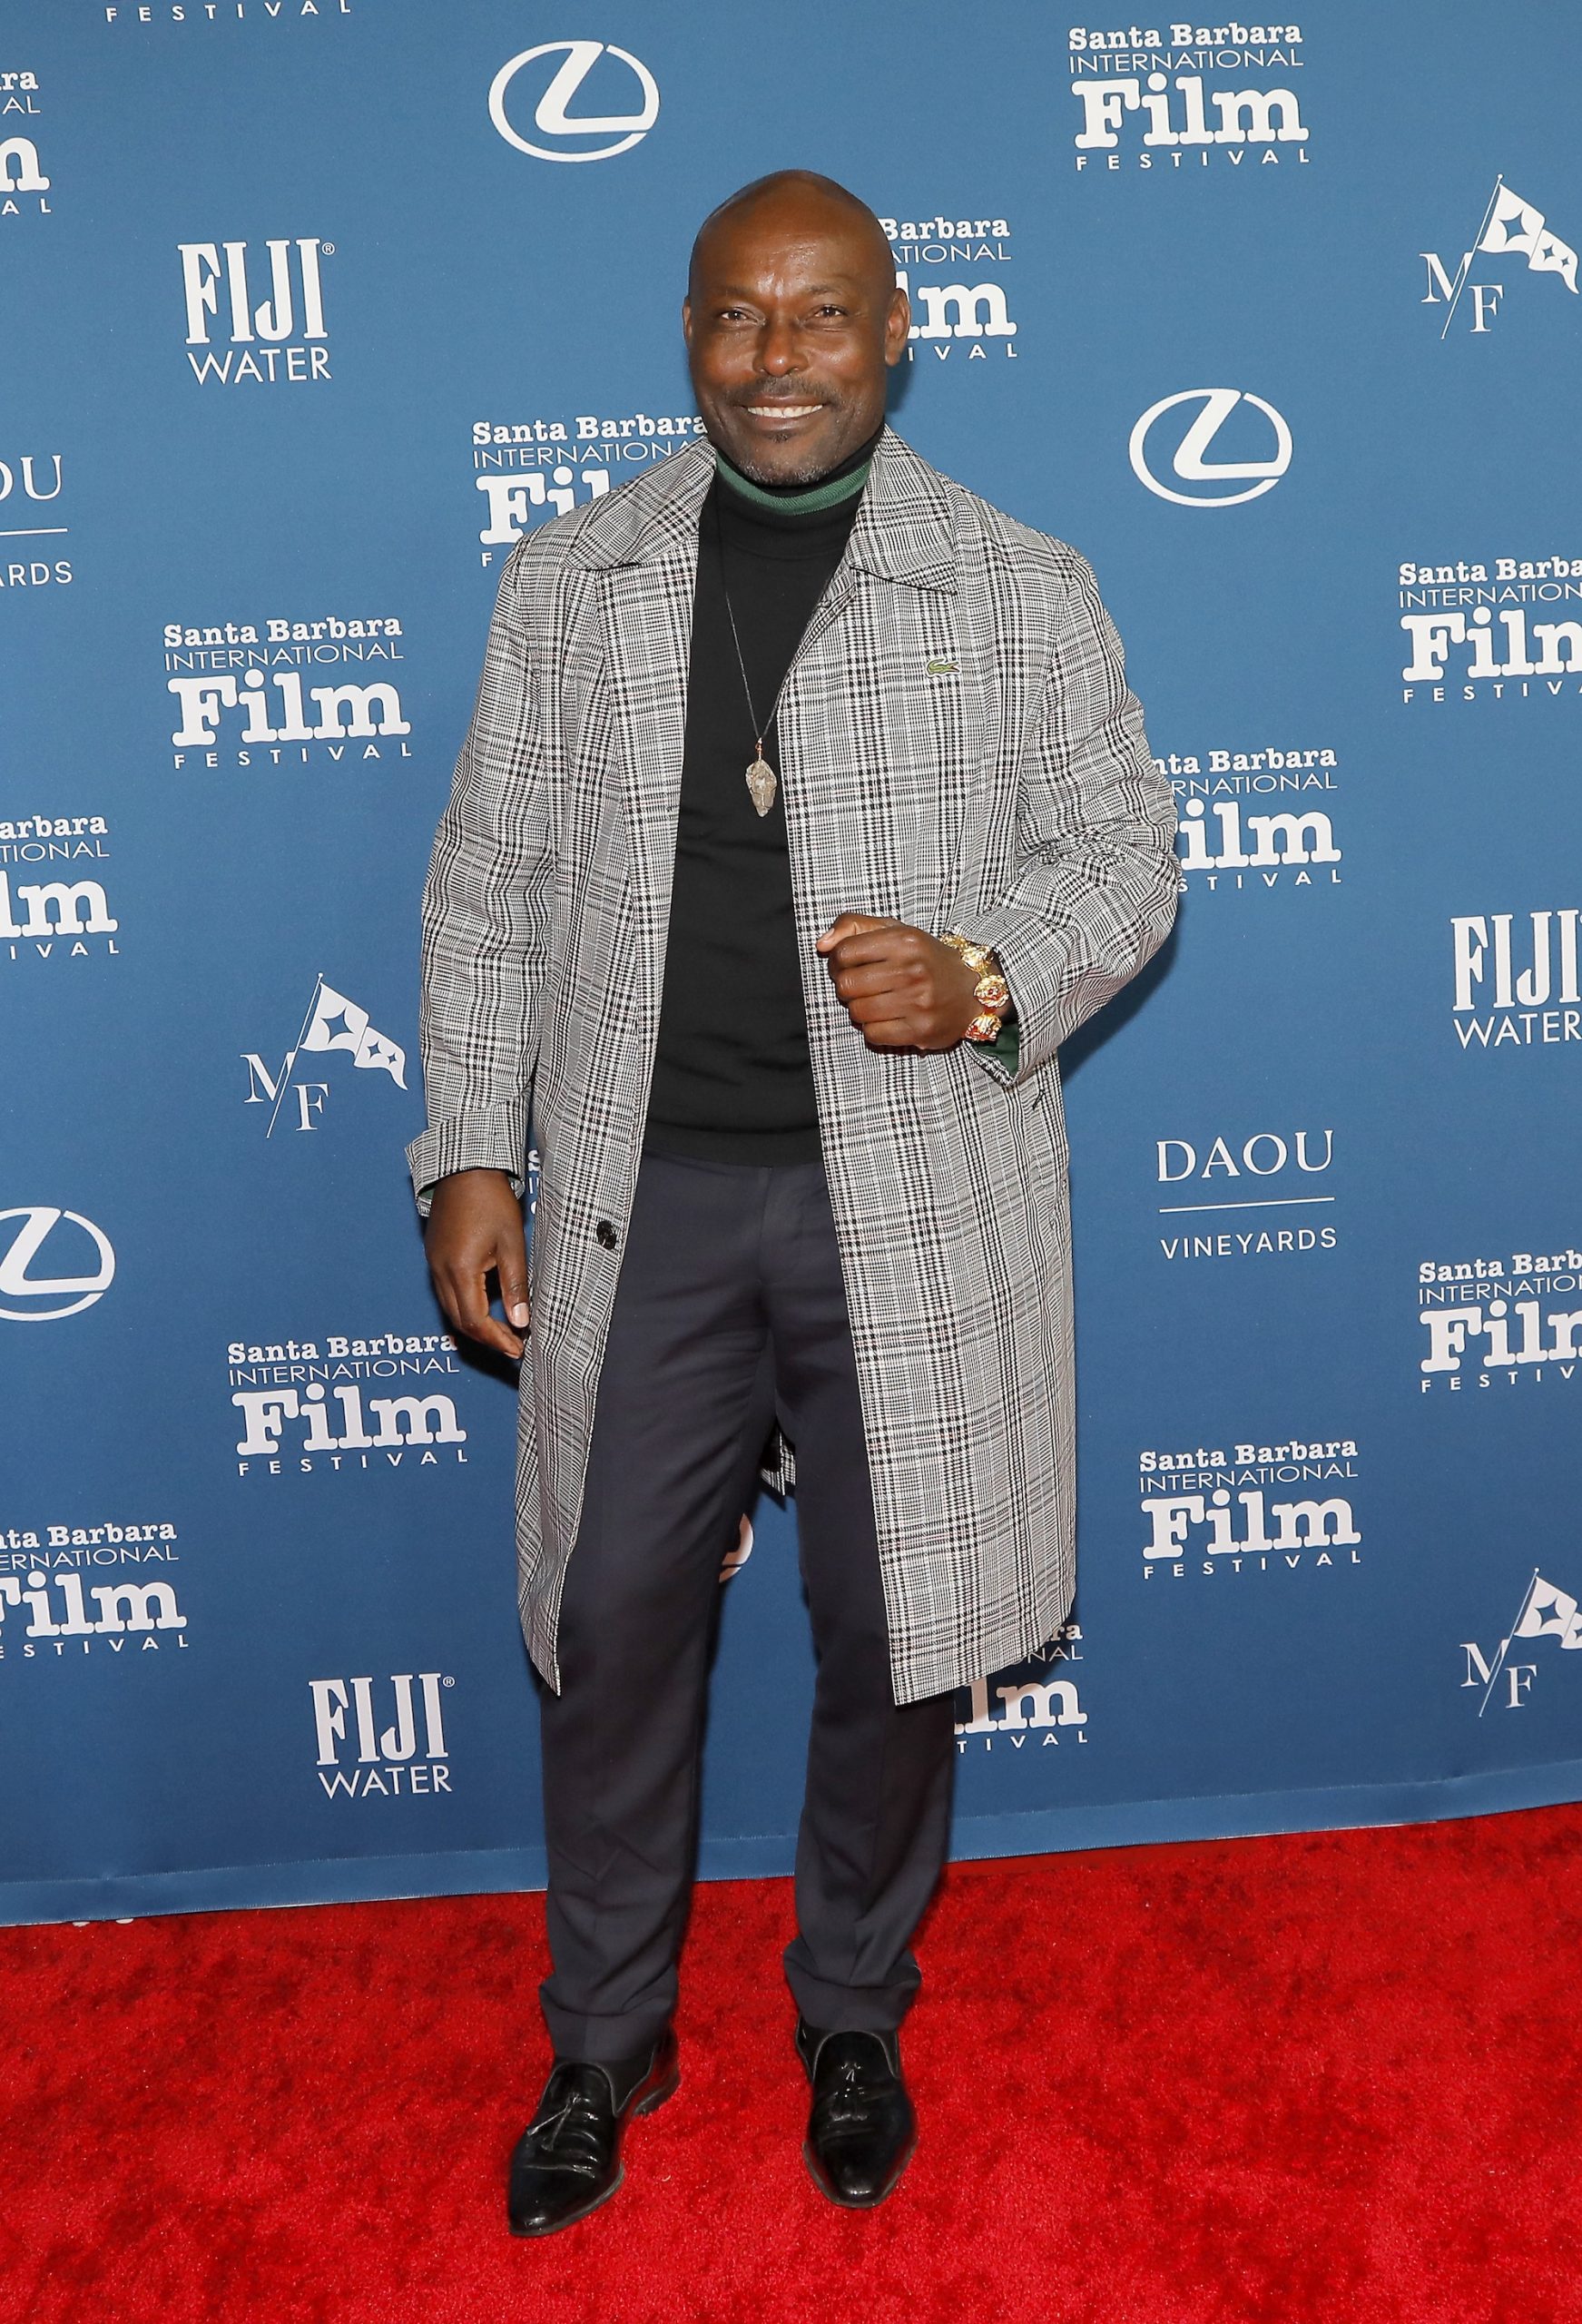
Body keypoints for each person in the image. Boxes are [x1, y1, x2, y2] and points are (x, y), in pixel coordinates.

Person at [408, 170, 1176, 2233]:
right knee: (610, 1621)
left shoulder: (1015, 583)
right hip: (637, 1197)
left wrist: (985, 977)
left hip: (911, 1202)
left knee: (895, 1627)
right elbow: (487, 885)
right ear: (687, 335)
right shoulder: (570, 579)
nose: (777, 359)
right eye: (736, 316)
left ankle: (851, 2008)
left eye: (820, 314)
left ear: (895, 332)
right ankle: (605, 2035)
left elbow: (1128, 857)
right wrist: (468, 1145)